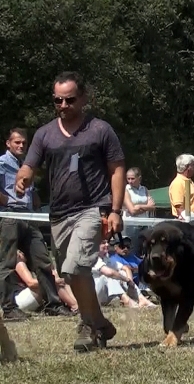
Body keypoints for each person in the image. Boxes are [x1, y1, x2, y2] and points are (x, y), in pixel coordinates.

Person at [15, 71, 124, 352]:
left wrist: (115, 209)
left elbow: (117, 170)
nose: (63, 106)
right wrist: (23, 177)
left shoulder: (100, 130)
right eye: (57, 101)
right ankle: (100, 323)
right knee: (70, 273)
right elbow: (30, 164)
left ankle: (88, 325)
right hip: (59, 214)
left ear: (83, 98)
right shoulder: (45, 134)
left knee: (76, 266)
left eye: (69, 100)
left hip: (92, 209)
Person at [0, 128, 73, 320]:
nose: (21, 146)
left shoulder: (27, 165)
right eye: (17, 142)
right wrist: (6, 201)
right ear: (8, 143)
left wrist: (35, 199)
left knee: (42, 259)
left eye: (24, 143)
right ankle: (8, 308)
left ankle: (53, 304)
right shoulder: (1, 163)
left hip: (29, 217)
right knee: (7, 263)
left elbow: (29, 190)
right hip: (9, 217)